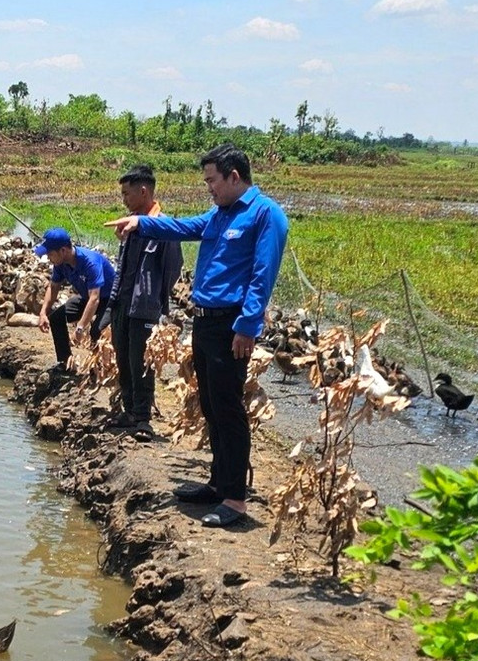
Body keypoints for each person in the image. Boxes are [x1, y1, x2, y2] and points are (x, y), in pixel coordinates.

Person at [108, 144, 288, 527]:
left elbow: (262, 275)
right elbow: (185, 227)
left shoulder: (265, 215)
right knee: (210, 405)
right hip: (205, 322)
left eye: (212, 180)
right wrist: (141, 223)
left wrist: (247, 326)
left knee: (228, 410)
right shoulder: (220, 214)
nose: (209, 188)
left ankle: (235, 500)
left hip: (230, 324)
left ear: (234, 177)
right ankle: (218, 483)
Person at [106, 165, 183, 440]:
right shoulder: (130, 223)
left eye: (127, 193)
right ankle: (129, 412)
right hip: (123, 304)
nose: (123, 199)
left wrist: (155, 297)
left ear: (143, 191)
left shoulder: (164, 226)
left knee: (141, 363)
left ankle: (142, 418)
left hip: (145, 307)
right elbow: (121, 266)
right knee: (124, 358)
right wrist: (112, 304)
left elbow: (173, 268)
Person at [33, 227, 116, 372]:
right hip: (86, 296)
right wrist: (43, 313)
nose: (49, 258)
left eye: (50, 254)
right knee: (56, 317)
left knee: (96, 330)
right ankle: (65, 363)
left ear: (63, 250)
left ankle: (99, 368)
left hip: (109, 299)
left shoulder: (90, 262)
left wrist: (80, 327)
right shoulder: (60, 264)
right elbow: (53, 287)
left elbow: (95, 299)